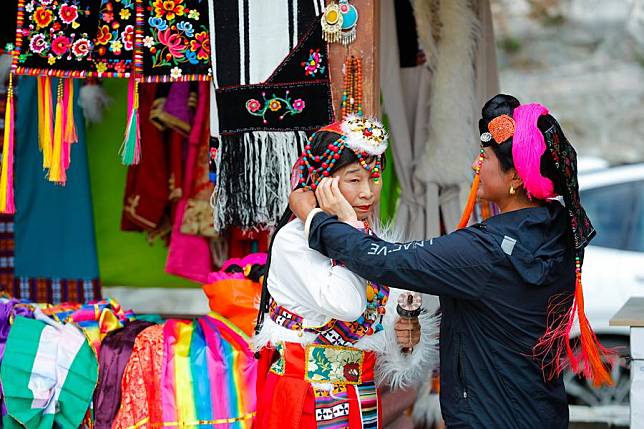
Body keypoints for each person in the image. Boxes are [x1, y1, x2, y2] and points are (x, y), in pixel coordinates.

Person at [289, 95, 614, 428]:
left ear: (516, 178)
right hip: (540, 411)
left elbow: (383, 261)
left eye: (485, 157)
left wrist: (318, 219)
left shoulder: (487, 251)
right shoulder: (555, 228)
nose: (476, 165)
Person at [253, 116, 439, 429]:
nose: (368, 192)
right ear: (322, 183)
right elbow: (349, 306)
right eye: (354, 180)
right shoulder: (294, 240)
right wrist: (348, 224)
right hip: (305, 398)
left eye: (374, 178)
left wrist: (407, 339)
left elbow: (381, 331)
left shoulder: (369, 243)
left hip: (360, 397)